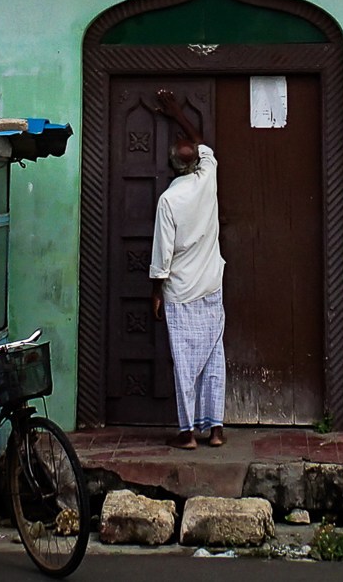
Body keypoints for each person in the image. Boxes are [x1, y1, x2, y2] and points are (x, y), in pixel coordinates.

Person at [149, 89, 226, 450]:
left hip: (180, 290)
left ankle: (188, 433)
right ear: (196, 162)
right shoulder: (207, 177)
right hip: (211, 285)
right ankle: (216, 430)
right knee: (213, 356)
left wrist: (155, 292)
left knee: (185, 361)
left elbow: (162, 252)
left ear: (171, 166)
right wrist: (178, 112)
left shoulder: (169, 199)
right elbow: (200, 143)